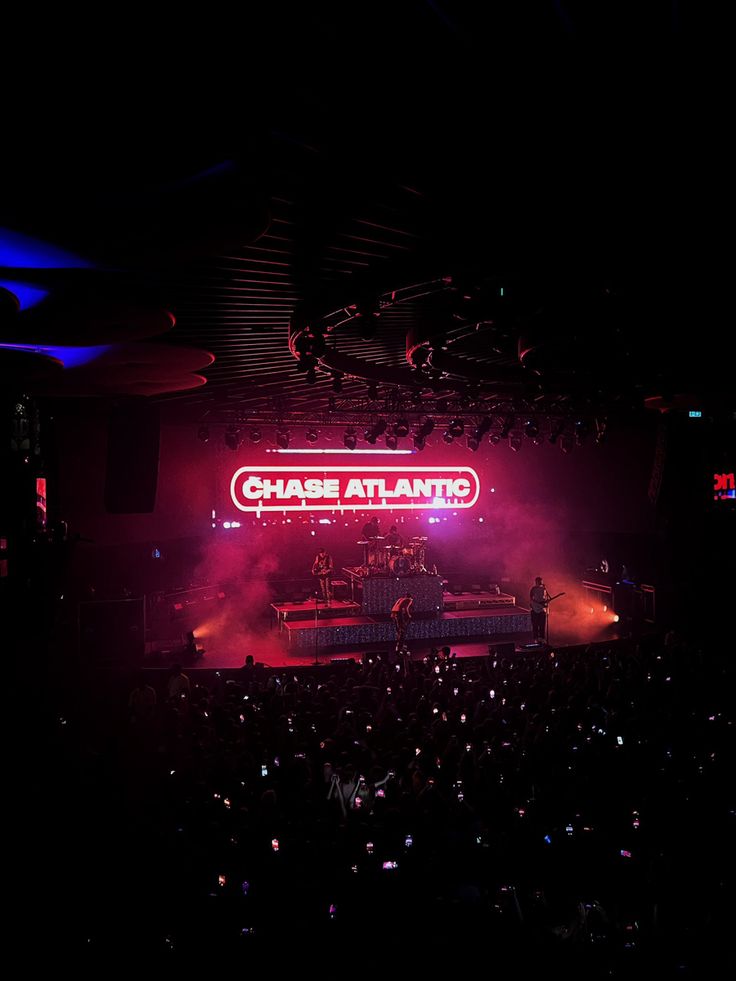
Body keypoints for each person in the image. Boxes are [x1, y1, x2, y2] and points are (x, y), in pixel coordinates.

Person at [529, 576, 549, 643]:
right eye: (539, 581)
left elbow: (545, 599)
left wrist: (546, 604)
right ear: (536, 582)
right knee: (535, 625)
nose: (540, 582)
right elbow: (531, 599)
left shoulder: (544, 589)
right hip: (535, 609)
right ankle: (536, 638)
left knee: (542, 625)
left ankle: (542, 638)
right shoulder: (533, 589)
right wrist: (538, 604)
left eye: (541, 581)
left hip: (542, 610)